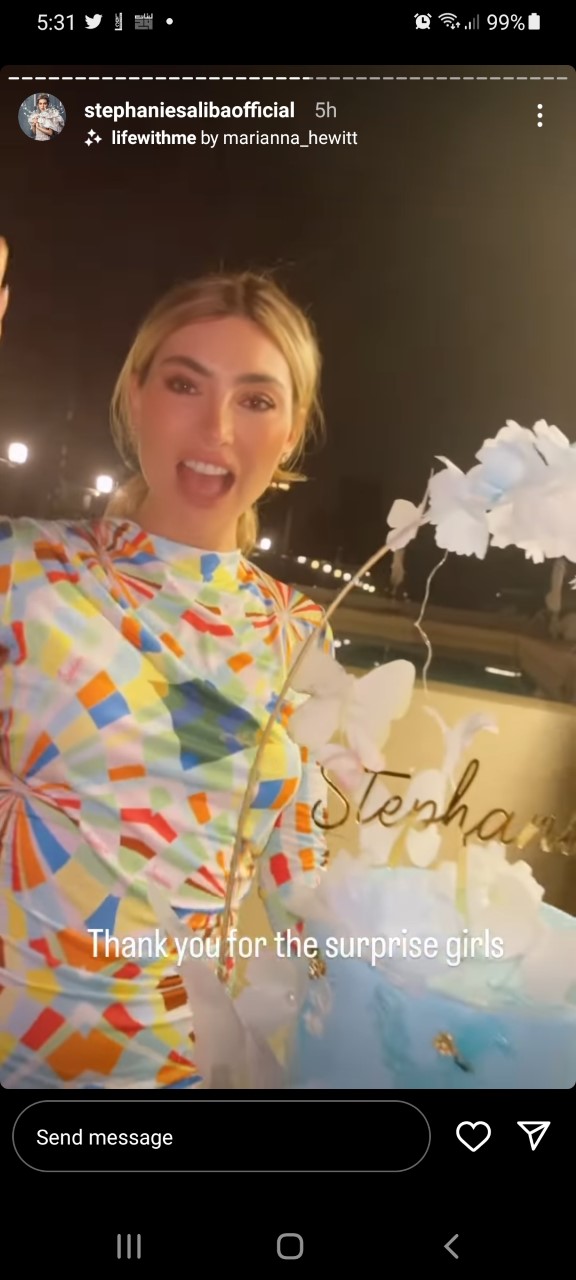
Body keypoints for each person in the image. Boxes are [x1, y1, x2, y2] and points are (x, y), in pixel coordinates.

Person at [0, 237, 333, 1088]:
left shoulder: (297, 632)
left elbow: (302, 889)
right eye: (185, 385)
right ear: (135, 395)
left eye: (255, 400)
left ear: (291, 430)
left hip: (187, 1073)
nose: (216, 430)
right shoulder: (24, 571)